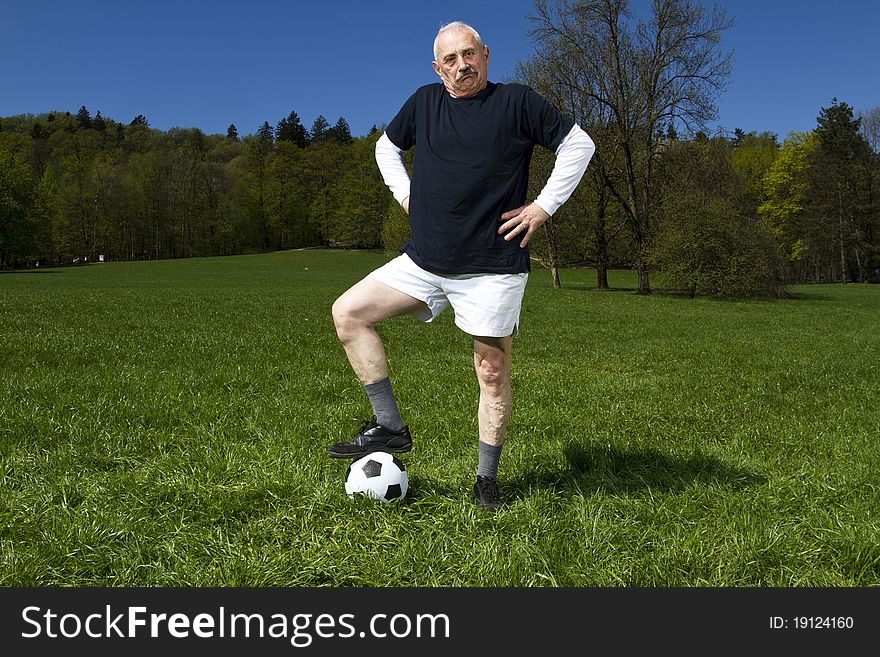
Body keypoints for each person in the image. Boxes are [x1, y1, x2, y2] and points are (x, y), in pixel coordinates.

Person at [328, 21, 595, 510]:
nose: (461, 65)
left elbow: (579, 145)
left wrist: (542, 207)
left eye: (469, 54)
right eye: (450, 59)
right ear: (438, 67)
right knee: (348, 313)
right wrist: (407, 194)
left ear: (486, 55)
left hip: (492, 266)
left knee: (491, 370)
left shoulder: (516, 102)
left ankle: (485, 481)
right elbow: (386, 147)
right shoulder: (424, 102)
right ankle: (389, 425)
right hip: (426, 260)